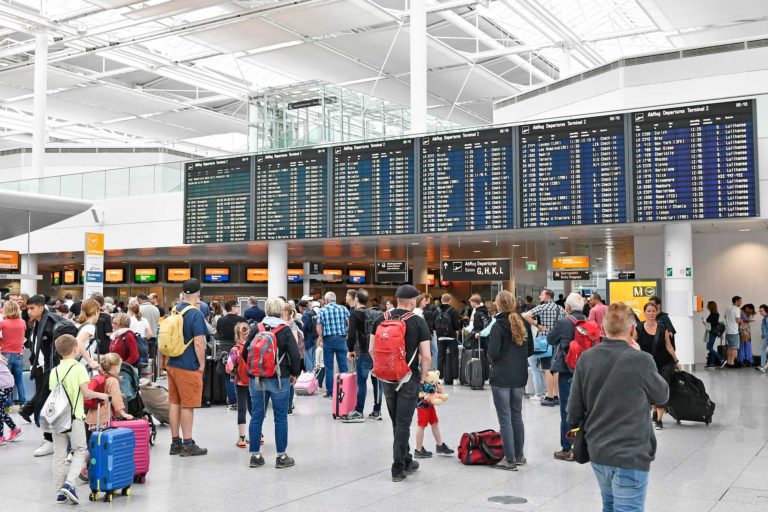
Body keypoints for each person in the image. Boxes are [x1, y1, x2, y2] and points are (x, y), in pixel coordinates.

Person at [567, 302, 669, 512]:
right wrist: (643, 355)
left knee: (610, 505)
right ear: (632, 330)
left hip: (598, 450)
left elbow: (573, 410)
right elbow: (662, 396)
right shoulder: (641, 360)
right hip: (631, 453)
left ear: (603, 329)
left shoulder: (587, 358)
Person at [370, 284, 432, 482]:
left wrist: (384, 368)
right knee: (403, 422)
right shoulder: (418, 322)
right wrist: (423, 376)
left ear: (397, 300)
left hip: (386, 377)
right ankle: (398, 468)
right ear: (413, 301)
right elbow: (426, 356)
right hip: (409, 377)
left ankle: (406, 459)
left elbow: (371, 350)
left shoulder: (380, 319)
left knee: (397, 422)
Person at [49, 334, 109, 505]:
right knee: (80, 450)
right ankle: (69, 483)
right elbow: (86, 393)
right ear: (76, 349)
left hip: (57, 418)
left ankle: (60, 492)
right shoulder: (79, 368)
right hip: (74, 417)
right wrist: (102, 395)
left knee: (59, 454)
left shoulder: (54, 371)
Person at [244, 297, 301, 469]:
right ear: (281, 311)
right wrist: (294, 373)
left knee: (257, 416)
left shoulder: (257, 328)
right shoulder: (285, 330)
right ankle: (281, 456)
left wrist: (254, 370)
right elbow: (295, 355)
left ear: (267, 310)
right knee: (280, 417)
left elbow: (245, 352)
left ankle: (255, 456)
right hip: (279, 378)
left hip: (257, 379)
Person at [487, 291, 533, 470]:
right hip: (519, 376)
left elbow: (493, 353)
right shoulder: (523, 323)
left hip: (501, 376)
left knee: (505, 418)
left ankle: (509, 459)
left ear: (498, 305)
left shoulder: (498, 325)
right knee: (516, 415)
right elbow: (530, 349)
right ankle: (519, 455)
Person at [167, 279, 209, 457]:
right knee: (188, 405)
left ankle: (175, 442)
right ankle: (188, 444)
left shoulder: (175, 310)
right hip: (188, 365)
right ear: (198, 293)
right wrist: (202, 364)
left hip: (172, 362)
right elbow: (199, 343)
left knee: (174, 403)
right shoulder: (195, 314)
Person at [547, 293, 587, 461]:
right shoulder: (588, 321)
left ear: (568, 308)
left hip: (567, 371)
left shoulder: (563, 322)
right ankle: (582, 446)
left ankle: (567, 447)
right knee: (583, 409)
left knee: (567, 410)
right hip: (585, 372)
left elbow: (550, 339)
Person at [19, 295, 58, 456]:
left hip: (49, 370)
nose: (29, 311)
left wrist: (48, 368)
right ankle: (50, 439)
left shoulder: (49, 323)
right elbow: (37, 347)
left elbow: (52, 349)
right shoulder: (38, 323)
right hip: (42, 369)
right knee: (43, 404)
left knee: (46, 405)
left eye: (32, 308)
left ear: (41, 307)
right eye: (28, 308)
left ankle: (50, 440)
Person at [634, 302, 680, 430]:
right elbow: (632, 344)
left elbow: (669, 346)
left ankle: (659, 419)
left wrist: (676, 361)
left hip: (665, 363)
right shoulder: (639, 328)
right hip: (648, 365)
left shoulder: (662, 328)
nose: (651, 313)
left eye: (653, 311)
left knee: (662, 388)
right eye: (648, 311)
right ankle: (655, 411)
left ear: (657, 312)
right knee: (651, 390)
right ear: (644, 313)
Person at [343, 288, 383, 422]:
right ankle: (377, 411)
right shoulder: (376, 313)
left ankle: (359, 411)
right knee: (377, 382)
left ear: (356, 299)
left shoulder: (355, 313)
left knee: (361, 383)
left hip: (364, 352)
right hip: (377, 353)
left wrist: (350, 349)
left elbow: (351, 334)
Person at [522, 289, 565, 406]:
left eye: (541, 295)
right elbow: (566, 320)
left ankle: (549, 397)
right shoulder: (560, 308)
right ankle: (556, 395)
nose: (540, 296)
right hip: (557, 342)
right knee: (555, 370)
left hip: (545, 341)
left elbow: (526, 315)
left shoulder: (542, 307)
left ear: (547, 296)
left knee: (547, 369)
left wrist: (538, 325)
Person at [317, 291, 350, 397]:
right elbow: (349, 324)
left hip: (328, 340)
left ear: (326, 300)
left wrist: (323, 337)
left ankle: (330, 392)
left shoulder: (322, 310)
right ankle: (344, 391)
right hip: (341, 339)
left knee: (329, 367)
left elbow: (318, 328)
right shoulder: (344, 309)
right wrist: (345, 334)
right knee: (343, 366)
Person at [225, 322, 253, 448]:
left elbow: (229, 367)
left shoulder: (235, 350)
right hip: (254, 382)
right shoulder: (254, 347)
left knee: (242, 409)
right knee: (254, 409)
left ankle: (242, 438)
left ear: (237, 334)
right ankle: (259, 435)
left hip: (240, 382)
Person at [0, 300, 28, 408]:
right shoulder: (22, 322)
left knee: (7, 381)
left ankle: (8, 405)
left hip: (5, 354)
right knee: (19, 380)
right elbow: (22, 337)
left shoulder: (3, 323)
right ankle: (23, 403)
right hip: (19, 353)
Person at [282, 302, 303, 416]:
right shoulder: (283, 323)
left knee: (289, 381)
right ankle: (287, 405)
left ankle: (288, 406)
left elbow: (295, 341)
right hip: (284, 356)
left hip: (288, 356)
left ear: (285, 312)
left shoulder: (291, 324)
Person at [434, 294, 460, 384]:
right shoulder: (453, 310)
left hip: (440, 337)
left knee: (440, 357)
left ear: (441, 300)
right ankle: (455, 379)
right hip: (451, 337)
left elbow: (433, 324)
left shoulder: (437, 310)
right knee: (454, 357)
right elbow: (456, 325)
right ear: (450, 300)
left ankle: (440, 378)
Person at [74, 298, 102, 372]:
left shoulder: (79, 325)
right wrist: (90, 361)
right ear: (96, 311)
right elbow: (78, 341)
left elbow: (86, 348)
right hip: (84, 367)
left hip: (77, 365)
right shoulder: (90, 327)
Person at [0, 354, 22, 444]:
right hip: (5, 384)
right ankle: (14, 429)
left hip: (4, 386)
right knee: (0, 410)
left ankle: (0, 437)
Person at [298, 300, 319, 374]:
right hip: (315, 338)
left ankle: (309, 376)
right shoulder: (313, 312)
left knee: (308, 359)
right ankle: (314, 376)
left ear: (301, 307)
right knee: (314, 358)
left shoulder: (305, 315)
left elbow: (306, 328)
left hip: (308, 339)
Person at [703, 301, 723, 369]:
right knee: (710, 348)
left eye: (708, 305)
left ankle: (721, 359)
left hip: (711, 333)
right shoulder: (715, 314)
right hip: (713, 333)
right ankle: (711, 364)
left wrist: (704, 322)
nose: (707, 306)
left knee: (709, 348)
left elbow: (711, 325)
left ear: (710, 306)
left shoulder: (713, 315)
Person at [723, 296, 742, 368]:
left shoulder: (728, 308)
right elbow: (737, 320)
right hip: (733, 331)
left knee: (729, 347)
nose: (741, 302)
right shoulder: (736, 309)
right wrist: (742, 320)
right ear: (736, 301)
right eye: (740, 301)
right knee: (734, 348)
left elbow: (725, 317)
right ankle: (732, 363)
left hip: (728, 330)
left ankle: (728, 362)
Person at [758, 304, 768, 372]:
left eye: (761, 311)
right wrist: (764, 334)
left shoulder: (767, 318)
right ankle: (763, 366)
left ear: (766, 310)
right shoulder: (765, 318)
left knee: (763, 350)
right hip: (766, 337)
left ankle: (763, 366)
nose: (760, 313)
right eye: (760, 311)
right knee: (763, 350)